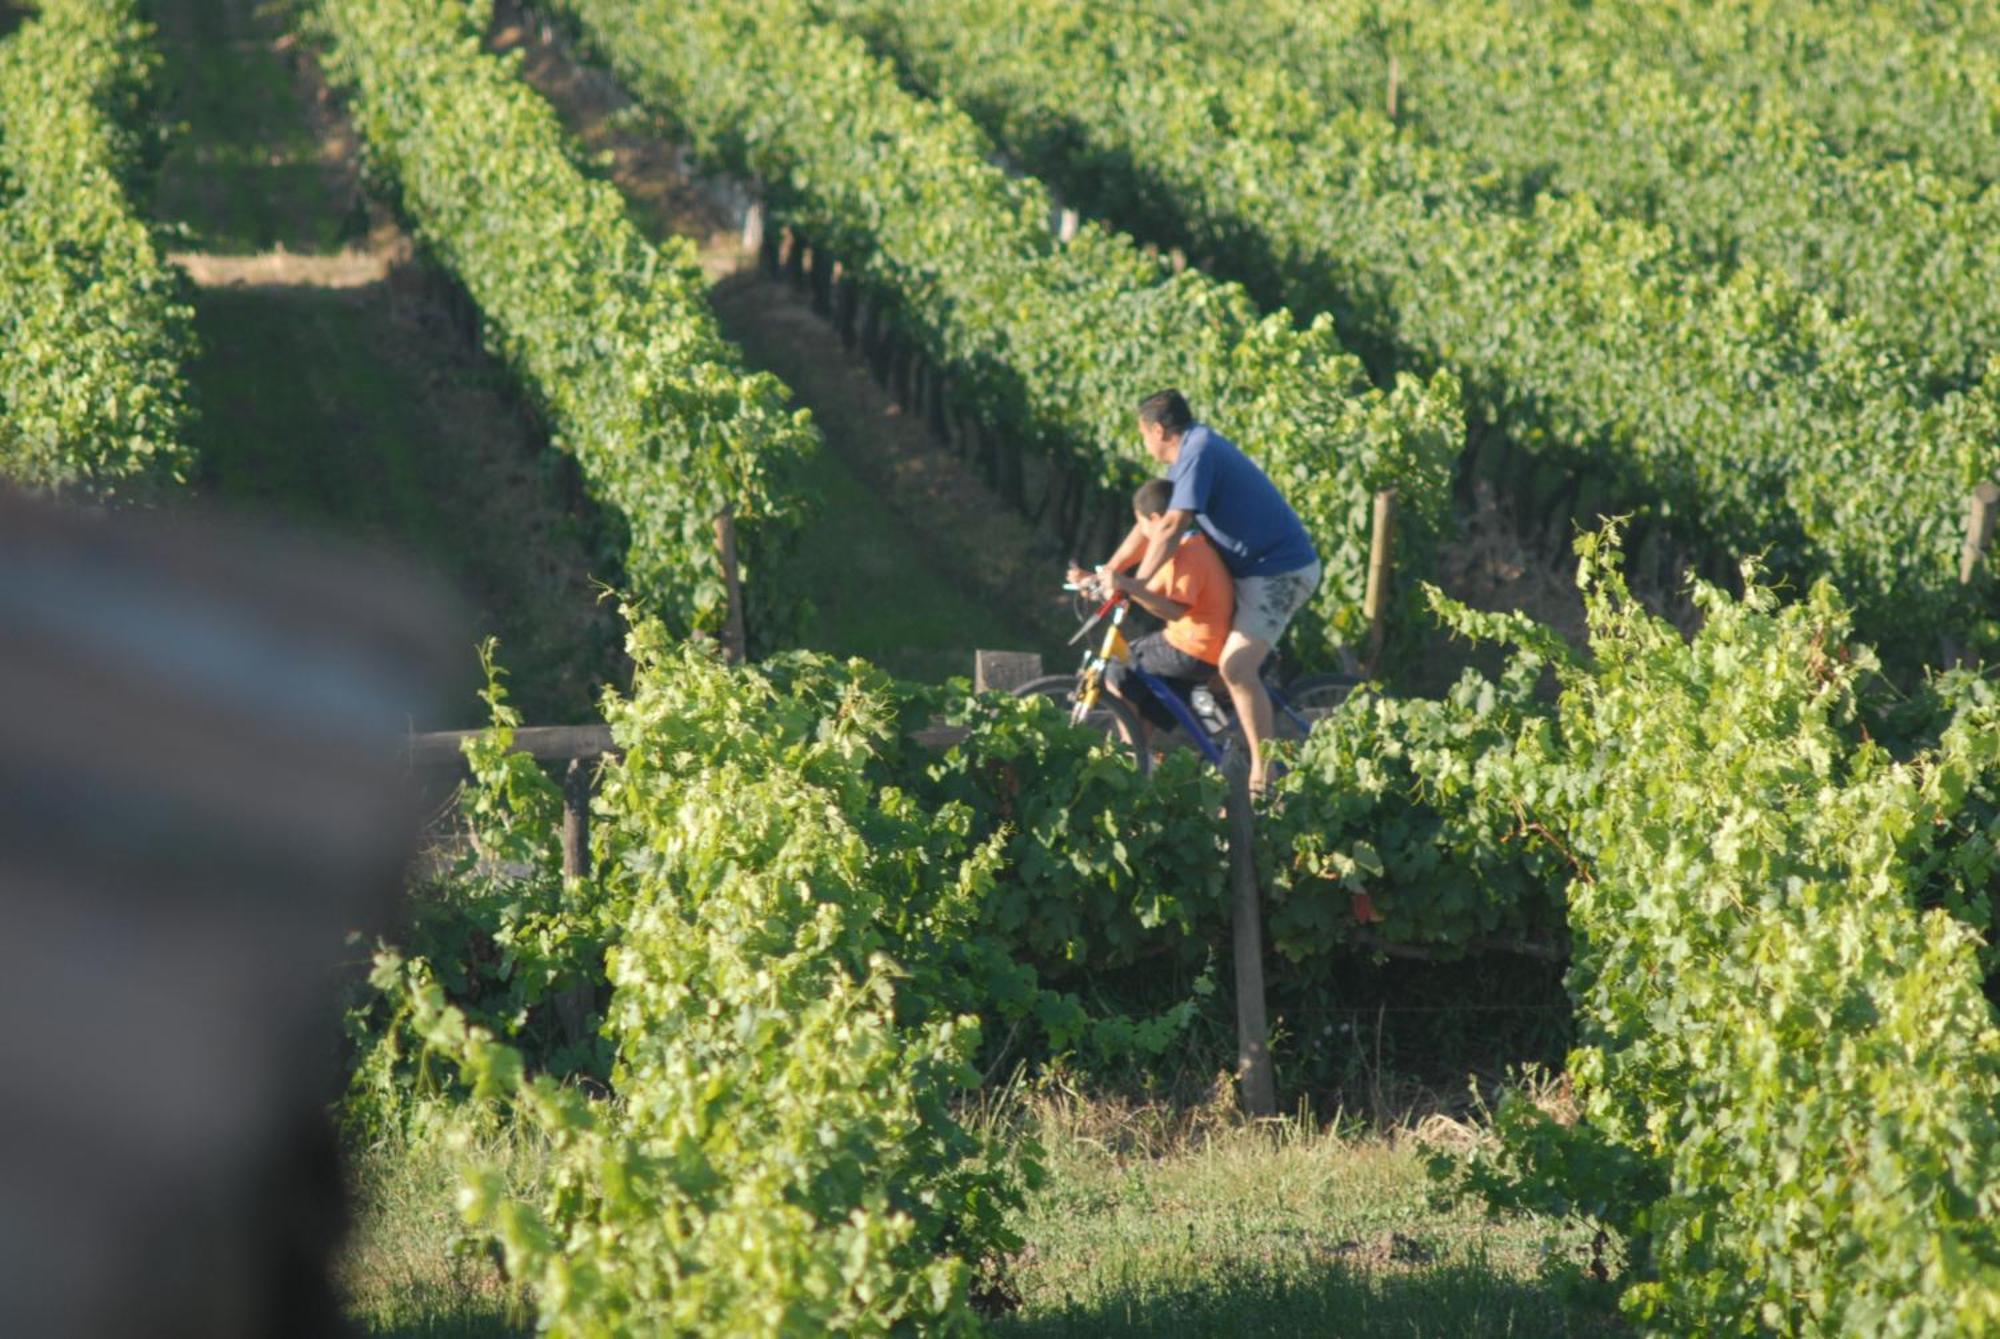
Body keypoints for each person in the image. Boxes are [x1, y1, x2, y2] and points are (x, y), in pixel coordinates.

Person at [1090, 389, 1320, 791]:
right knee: (1214, 669)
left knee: (1237, 668)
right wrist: (1112, 569)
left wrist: (1137, 583)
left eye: (1143, 433)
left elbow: (1173, 524)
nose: (1143, 443)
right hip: (1253, 571)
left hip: (1278, 572)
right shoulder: (1192, 452)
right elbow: (1152, 525)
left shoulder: (1197, 452)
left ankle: (1262, 776)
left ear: (1159, 430)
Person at [1067, 479, 1234, 756]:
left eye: (1141, 525)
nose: (1142, 534)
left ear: (1156, 519)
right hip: (1194, 647)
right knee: (1144, 699)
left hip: (1194, 648)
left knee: (1118, 668)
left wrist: (1130, 588)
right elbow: (1140, 591)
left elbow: (1173, 609)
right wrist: (1096, 581)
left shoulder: (1191, 553)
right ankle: (1138, 758)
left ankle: (1129, 750)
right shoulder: (1180, 548)